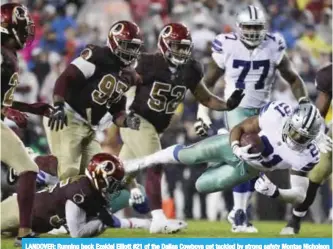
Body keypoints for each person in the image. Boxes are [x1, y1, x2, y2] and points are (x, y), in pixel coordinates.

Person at [118, 22, 244, 234]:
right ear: (165, 45)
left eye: (185, 47)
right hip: (138, 120)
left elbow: (204, 97)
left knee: (119, 174)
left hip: (154, 127)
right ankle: (158, 219)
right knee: (155, 164)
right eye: (177, 46)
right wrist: (120, 113)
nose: (181, 51)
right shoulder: (148, 62)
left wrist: (226, 104)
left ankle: (85, 207)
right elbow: (122, 84)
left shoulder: (191, 68)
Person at [193, 5, 308, 232]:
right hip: (236, 107)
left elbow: (293, 79)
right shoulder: (227, 45)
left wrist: (304, 102)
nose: (254, 32)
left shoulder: (273, 45)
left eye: (257, 27)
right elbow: (206, 84)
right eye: (249, 27)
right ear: (239, 27)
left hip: (264, 111)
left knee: (257, 162)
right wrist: (202, 112)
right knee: (247, 157)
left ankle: (238, 209)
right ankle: (239, 214)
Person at [124, 100, 325, 224]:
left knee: (202, 186)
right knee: (190, 155)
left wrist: (276, 193)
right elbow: (241, 127)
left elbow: (299, 195)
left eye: (303, 137)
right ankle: (142, 161)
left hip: (250, 169)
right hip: (235, 148)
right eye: (295, 131)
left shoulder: (309, 155)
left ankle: (235, 210)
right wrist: (237, 147)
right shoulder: (276, 115)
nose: (296, 139)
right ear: (289, 120)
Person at [44, 20, 143, 181]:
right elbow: (66, 77)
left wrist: (127, 121)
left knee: (97, 174)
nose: (131, 51)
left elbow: (117, 112)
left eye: (135, 47)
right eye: (127, 45)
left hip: (89, 127)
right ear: (114, 41)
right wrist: (59, 105)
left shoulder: (129, 75)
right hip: (68, 115)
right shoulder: (98, 55)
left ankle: (45, 179)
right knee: (69, 172)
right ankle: (37, 169)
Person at [1, 3, 54, 245]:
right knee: (28, 169)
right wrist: (10, 111)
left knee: (28, 169)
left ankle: (24, 232)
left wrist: (31, 108)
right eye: (23, 28)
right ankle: (23, 231)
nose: (26, 34)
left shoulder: (8, 53)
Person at [1, 153, 149, 237]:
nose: (113, 185)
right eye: (111, 180)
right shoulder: (82, 191)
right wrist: (109, 220)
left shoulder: (88, 187)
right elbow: (77, 234)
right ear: (98, 175)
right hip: (19, 212)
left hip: (32, 220)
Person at [280, 63, 333, 235]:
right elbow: (321, 109)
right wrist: (317, 133)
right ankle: (295, 219)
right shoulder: (328, 75)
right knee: (318, 172)